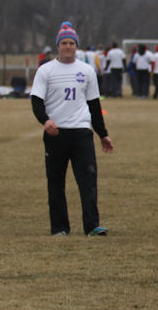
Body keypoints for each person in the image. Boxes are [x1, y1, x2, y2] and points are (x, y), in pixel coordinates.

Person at [30, 23, 114, 237]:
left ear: (76, 46)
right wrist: (45, 121)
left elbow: (94, 106)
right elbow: (36, 101)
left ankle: (92, 226)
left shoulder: (87, 71)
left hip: (81, 133)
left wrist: (103, 134)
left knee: (88, 180)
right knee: (56, 182)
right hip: (56, 134)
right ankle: (59, 227)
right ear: (58, 46)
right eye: (64, 43)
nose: (68, 47)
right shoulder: (46, 70)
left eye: (72, 43)